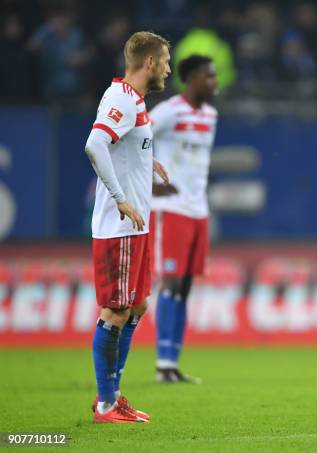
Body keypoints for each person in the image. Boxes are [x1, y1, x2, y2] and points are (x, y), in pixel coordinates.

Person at [84, 31, 171, 423]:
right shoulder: (121, 97)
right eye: (166, 60)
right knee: (116, 310)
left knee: (137, 306)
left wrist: (145, 160)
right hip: (119, 226)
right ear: (149, 62)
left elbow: (122, 144)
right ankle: (105, 403)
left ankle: (114, 395)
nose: (169, 68)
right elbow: (95, 144)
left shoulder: (132, 100)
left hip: (137, 228)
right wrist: (120, 197)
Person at [149, 55, 219, 383]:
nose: (215, 83)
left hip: (198, 209)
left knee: (186, 286)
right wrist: (149, 182)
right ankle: (163, 363)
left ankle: (173, 362)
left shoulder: (210, 115)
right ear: (191, 78)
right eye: (209, 77)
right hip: (171, 208)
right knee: (171, 283)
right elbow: (136, 142)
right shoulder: (167, 112)